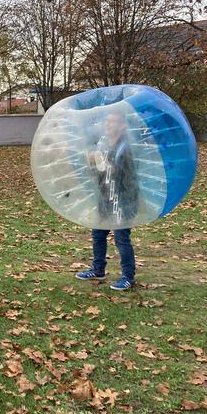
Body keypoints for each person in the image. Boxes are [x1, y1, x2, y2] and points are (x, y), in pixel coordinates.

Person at [75, 110, 139, 291]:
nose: (108, 125)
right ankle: (98, 269)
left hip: (122, 200)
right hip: (105, 196)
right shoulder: (103, 143)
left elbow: (126, 175)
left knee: (121, 239)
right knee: (98, 234)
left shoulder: (125, 147)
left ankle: (128, 277)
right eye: (107, 122)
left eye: (113, 122)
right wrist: (93, 161)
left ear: (122, 125)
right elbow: (100, 173)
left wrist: (104, 162)